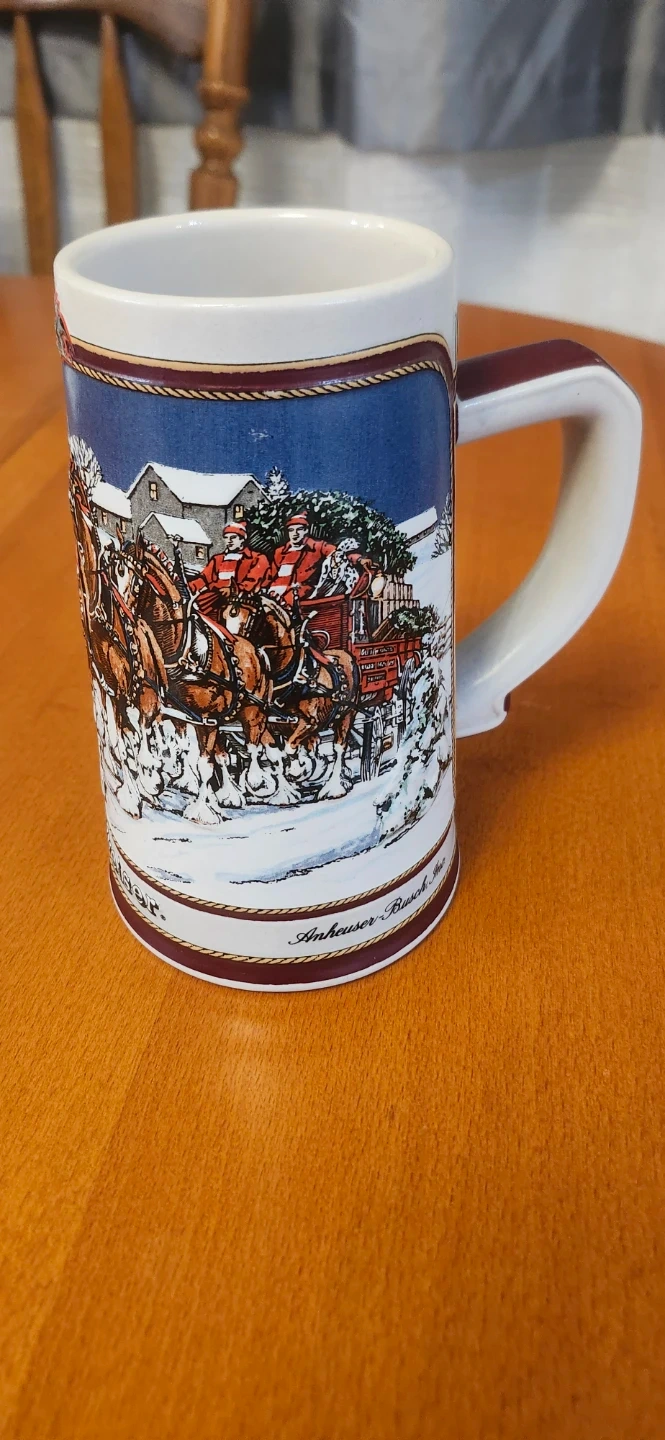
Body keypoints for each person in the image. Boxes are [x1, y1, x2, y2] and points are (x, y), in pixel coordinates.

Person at [189, 521, 269, 616]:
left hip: (242, 601)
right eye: (226, 538)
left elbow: (252, 581)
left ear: (242, 539)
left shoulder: (257, 558)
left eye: (233, 537)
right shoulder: (217, 559)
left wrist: (232, 590)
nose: (229, 541)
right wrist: (189, 587)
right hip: (214, 599)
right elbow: (204, 578)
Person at [268, 512, 335, 607]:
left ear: (306, 530)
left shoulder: (317, 547)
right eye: (291, 530)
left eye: (299, 529)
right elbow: (271, 576)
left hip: (301, 593)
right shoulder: (280, 552)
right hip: (276, 592)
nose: (295, 534)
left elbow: (338, 553)